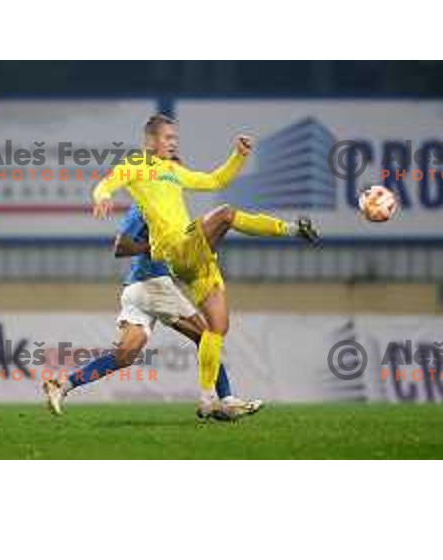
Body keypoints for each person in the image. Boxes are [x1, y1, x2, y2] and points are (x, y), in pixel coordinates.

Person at [92, 114, 319, 416]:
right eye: (168, 137)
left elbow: (215, 180)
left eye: (175, 137)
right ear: (151, 141)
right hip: (176, 248)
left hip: (199, 260)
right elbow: (106, 184)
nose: (173, 142)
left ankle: (208, 399)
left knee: (216, 329)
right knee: (225, 214)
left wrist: (238, 156)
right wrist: (103, 196)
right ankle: (291, 229)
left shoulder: (173, 171)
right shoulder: (136, 165)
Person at [44, 202, 262, 420]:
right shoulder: (145, 206)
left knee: (123, 356)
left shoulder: (168, 207)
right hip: (153, 285)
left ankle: (63, 385)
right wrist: (154, 248)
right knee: (208, 336)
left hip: (137, 289)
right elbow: (120, 247)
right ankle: (223, 399)